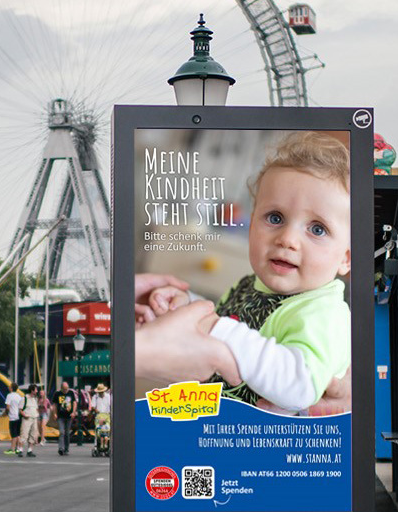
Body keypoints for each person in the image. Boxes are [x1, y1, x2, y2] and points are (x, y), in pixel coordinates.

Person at [146, 131, 352, 414]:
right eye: (275, 218)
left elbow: (300, 386)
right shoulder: (250, 285)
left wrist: (220, 329)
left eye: (317, 229)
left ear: (346, 258)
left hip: (275, 452)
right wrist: (189, 306)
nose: (287, 239)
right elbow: (221, 325)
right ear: (252, 222)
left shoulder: (323, 313)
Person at [52, 381, 77, 456]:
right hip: (60, 416)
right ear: (61, 388)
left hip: (69, 416)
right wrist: (54, 414)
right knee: (62, 432)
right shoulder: (57, 394)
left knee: (67, 433)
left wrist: (74, 412)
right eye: (64, 389)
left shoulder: (71, 393)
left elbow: (74, 403)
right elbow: (55, 405)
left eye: (67, 389)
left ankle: (66, 448)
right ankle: (61, 448)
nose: (66, 391)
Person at [18, 384, 39, 457]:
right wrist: (24, 415)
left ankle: (30, 450)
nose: (37, 391)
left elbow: (36, 408)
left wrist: (36, 414)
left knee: (33, 434)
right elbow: (20, 410)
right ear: (32, 390)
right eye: (36, 390)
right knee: (24, 434)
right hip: (27, 418)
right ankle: (20, 450)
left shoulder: (35, 399)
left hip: (34, 418)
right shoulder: (24, 398)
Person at [90, 383, 111, 452]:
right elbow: (93, 406)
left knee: (108, 430)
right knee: (98, 430)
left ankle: (107, 445)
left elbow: (111, 405)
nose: (100, 393)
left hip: (107, 415)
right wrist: (96, 410)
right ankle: (97, 445)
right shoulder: (95, 397)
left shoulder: (108, 397)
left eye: (101, 392)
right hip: (99, 415)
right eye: (99, 392)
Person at [4, 382, 24, 455]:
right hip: (18, 416)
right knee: (18, 433)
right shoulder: (19, 396)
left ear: (11, 388)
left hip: (12, 416)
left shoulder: (9, 396)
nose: (8, 387)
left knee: (13, 434)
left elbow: (8, 407)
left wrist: (5, 413)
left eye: (9, 386)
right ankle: (18, 448)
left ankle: (12, 449)